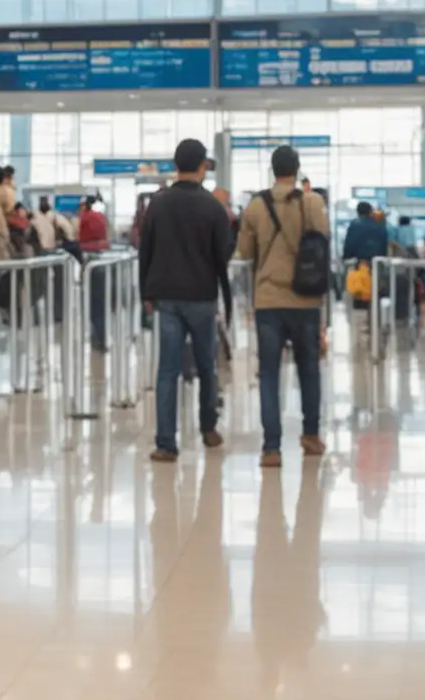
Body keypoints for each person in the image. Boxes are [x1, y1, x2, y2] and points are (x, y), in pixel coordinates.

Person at [141, 139, 235, 462]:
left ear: (175, 164)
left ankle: (166, 442)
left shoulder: (158, 204)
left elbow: (146, 252)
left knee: (167, 370)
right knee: (206, 365)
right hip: (202, 296)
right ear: (203, 166)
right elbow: (224, 255)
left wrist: (146, 292)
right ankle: (208, 428)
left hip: (165, 297)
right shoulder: (213, 208)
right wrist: (225, 294)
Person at [236, 144, 331, 466]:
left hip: (268, 300)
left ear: (272, 170)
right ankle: (311, 435)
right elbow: (322, 241)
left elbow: (245, 252)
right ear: (297, 168)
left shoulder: (255, 206)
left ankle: (271, 447)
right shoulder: (314, 202)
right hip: (306, 298)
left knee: (269, 375)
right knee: (309, 370)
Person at [343, 203, 389, 267]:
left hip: (358, 263)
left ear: (357, 212)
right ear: (370, 212)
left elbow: (350, 244)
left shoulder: (354, 225)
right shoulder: (380, 226)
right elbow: (384, 246)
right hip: (376, 262)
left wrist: (346, 258)